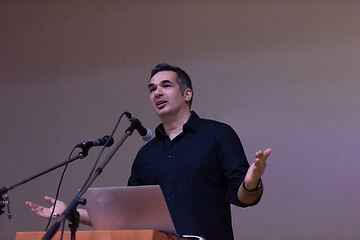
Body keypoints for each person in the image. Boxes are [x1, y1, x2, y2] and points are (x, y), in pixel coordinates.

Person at [26, 63, 271, 240]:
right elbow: (126, 216)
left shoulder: (218, 134)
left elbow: (244, 197)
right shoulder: (146, 154)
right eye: (152, 89)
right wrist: (70, 212)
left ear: (187, 94)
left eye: (166, 85)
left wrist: (251, 182)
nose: (157, 93)